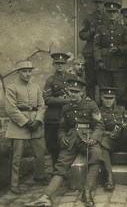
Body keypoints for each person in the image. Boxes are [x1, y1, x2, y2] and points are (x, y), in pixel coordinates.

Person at [25, 78, 105, 207]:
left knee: (96, 155)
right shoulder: (65, 107)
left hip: (88, 137)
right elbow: (62, 128)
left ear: (82, 93)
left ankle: (87, 191)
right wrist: (62, 137)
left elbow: (99, 125)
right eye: (71, 91)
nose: (72, 94)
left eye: (76, 92)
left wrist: (94, 139)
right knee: (61, 164)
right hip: (71, 139)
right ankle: (46, 196)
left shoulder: (91, 105)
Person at [5, 61, 47, 194]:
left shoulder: (36, 87)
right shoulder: (12, 88)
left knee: (40, 153)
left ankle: (39, 176)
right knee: (17, 156)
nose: (28, 74)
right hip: (19, 126)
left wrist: (38, 120)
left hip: (35, 124)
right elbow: (11, 109)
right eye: (24, 71)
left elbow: (41, 105)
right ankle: (14, 184)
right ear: (18, 72)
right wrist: (25, 122)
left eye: (29, 71)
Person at [93, 1, 127, 112]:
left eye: (114, 12)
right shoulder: (100, 28)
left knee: (120, 92)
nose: (111, 14)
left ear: (118, 13)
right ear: (106, 12)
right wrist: (98, 60)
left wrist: (119, 49)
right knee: (104, 91)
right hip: (103, 64)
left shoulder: (123, 29)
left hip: (119, 65)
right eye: (109, 12)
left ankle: (120, 115)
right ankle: (105, 115)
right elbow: (96, 45)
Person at [99, 87, 127, 187]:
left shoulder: (121, 109)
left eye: (111, 98)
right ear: (101, 98)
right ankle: (109, 176)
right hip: (111, 141)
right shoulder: (98, 112)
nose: (108, 100)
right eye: (106, 98)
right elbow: (97, 128)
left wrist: (123, 126)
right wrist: (108, 132)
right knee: (103, 143)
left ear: (114, 99)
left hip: (123, 139)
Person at [43, 53, 76, 168]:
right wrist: (63, 100)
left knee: (70, 143)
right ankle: (55, 169)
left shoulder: (72, 78)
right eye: (57, 63)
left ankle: (69, 169)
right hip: (54, 117)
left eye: (62, 63)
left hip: (70, 115)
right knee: (53, 145)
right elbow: (47, 99)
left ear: (66, 64)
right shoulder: (50, 80)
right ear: (53, 64)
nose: (60, 66)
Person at [79, 0, 109, 100]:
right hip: (90, 52)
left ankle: (102, 104)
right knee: (90, 80)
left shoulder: (108, 17)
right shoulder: (88, 18)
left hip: (104, 52)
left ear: (103, 3)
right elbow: (81, 35)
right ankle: (91, 102)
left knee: (103, 80)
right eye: (96, 3)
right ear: (94, 4)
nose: (98, 5)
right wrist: (90, 33)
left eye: (100, 2)